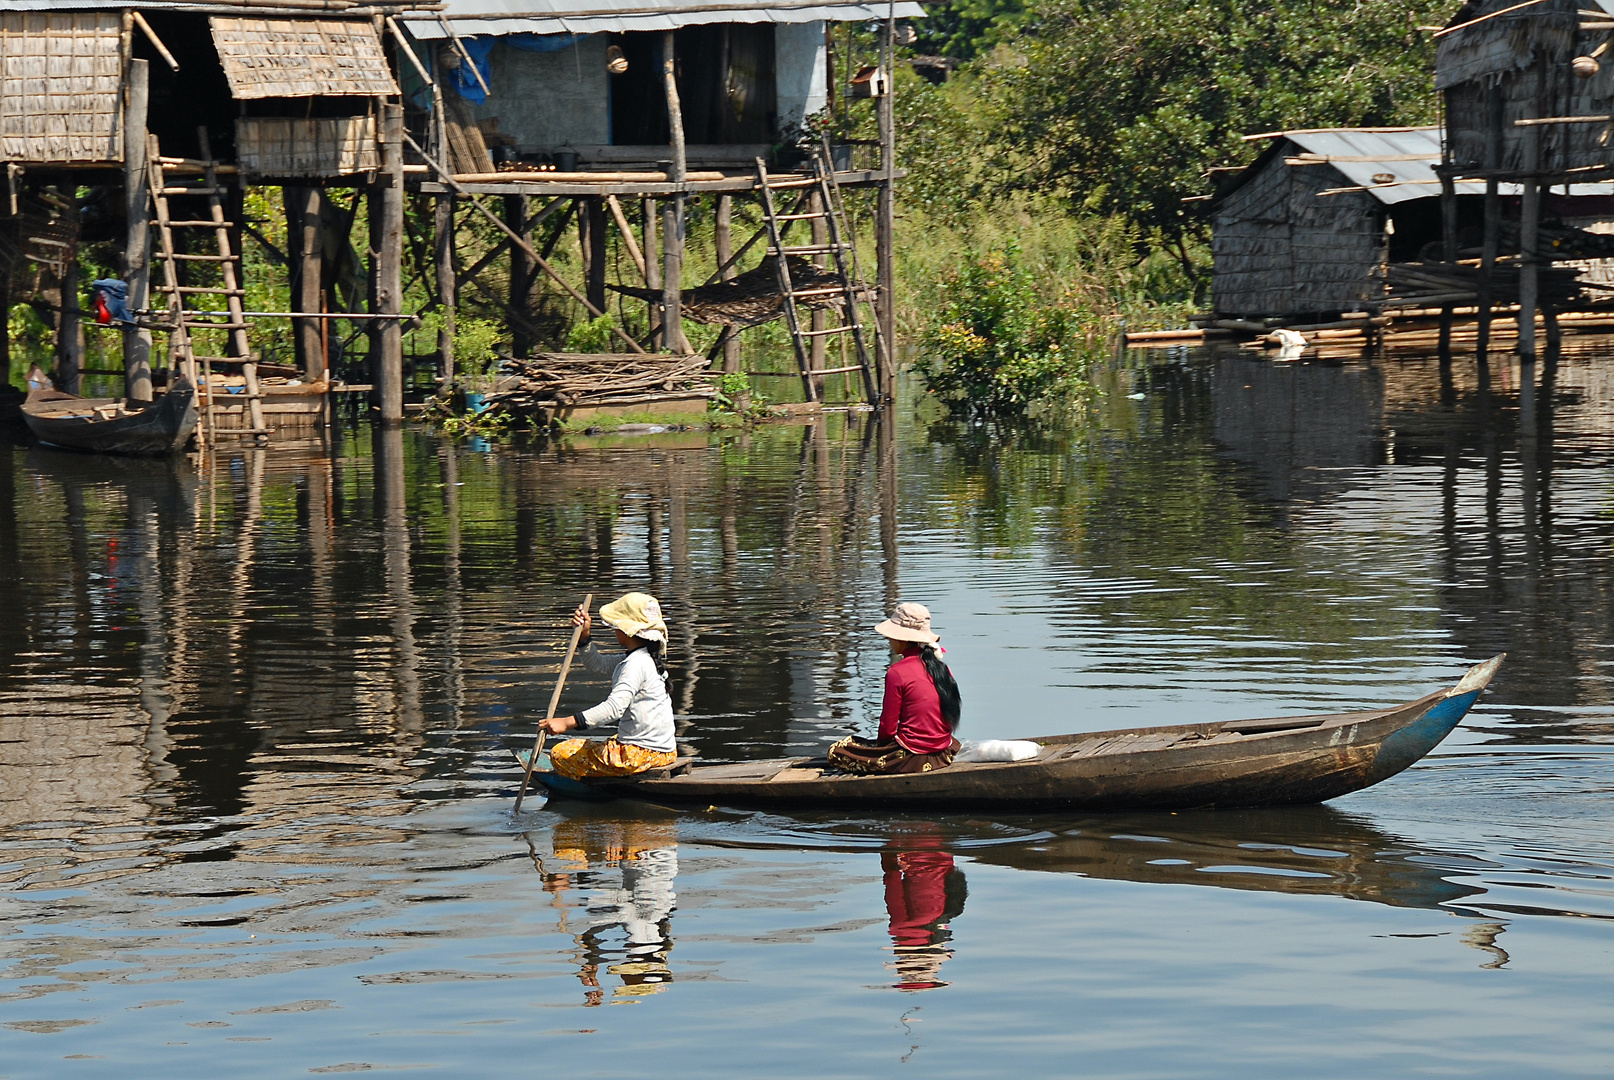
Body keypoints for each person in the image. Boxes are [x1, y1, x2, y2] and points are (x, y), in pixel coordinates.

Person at [539, 592, 678, 778]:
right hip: (666, 752)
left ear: (626, 630)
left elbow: (614, 708)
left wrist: (566, 722)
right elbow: (598, 665)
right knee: (609, 741)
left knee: (560, 752)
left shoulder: (635, 664)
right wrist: (584, 637)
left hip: (640, 754)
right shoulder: (643, 658)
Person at [828, 602, 962, 775]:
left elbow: (887, 728)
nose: (889, 640)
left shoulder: (897, 672)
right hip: (943, 752)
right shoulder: (942, 668)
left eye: (891, 636)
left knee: (836, 751)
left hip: (913, 757)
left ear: (902, 639)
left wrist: (880, 748)